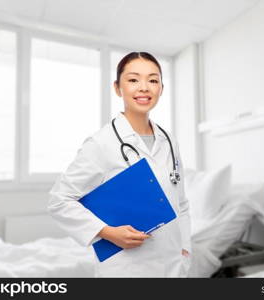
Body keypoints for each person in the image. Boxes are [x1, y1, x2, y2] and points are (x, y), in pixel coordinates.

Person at [47, 52, 191, 277]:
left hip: (173, 268)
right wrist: (107, 232)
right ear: (117, 88)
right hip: (126, 270)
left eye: (153, 80)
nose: (144, 87)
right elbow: (59, 200)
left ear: (161, 88)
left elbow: (181, 204)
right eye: (133, 80)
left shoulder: (169, 141)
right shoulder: (101, 143)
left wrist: (185, 250)